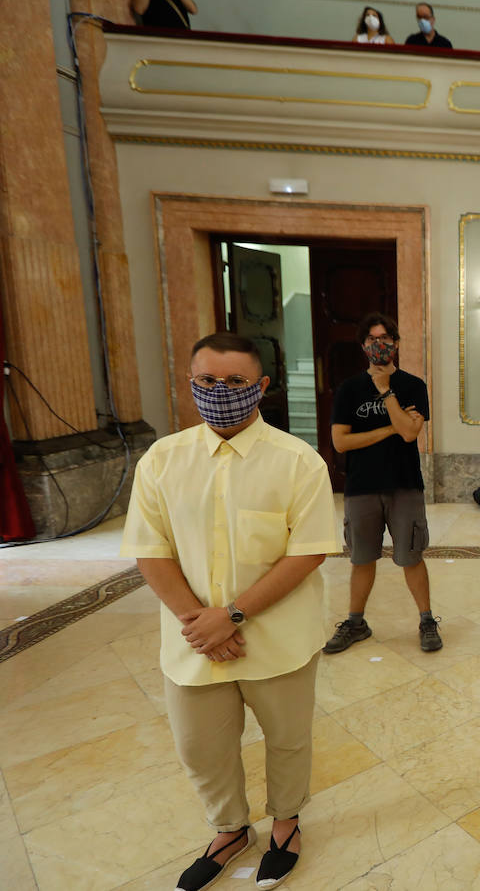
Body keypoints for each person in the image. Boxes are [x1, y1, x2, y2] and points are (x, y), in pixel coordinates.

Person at [121, 333, 337, 891]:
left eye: (236, 381)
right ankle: (229, 829)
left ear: (261, 386)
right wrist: (202, 622)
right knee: (200, 747)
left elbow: (308, 550)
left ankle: (286, 823)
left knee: (287, 739)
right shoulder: (163, 460)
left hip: (277, 637)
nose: (220, 392)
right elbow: (151, 549)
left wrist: (232, 615)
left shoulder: (297, 462)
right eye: (207, 381)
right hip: (195, 641)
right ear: (190, 382)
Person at [325, 313, 440, 654]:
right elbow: (341, 442)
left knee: (410, 556)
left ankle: (427, 620)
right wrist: (391, 426)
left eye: (386, 339)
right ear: (363, 347)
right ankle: (356, 622)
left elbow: (409, 434)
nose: (380, 345)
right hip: (361, 486)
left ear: (397, 344)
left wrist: (386, 394)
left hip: (404, 484)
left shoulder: (413, 386)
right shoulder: (349, 389)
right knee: (362, 558)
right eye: (373, 340)